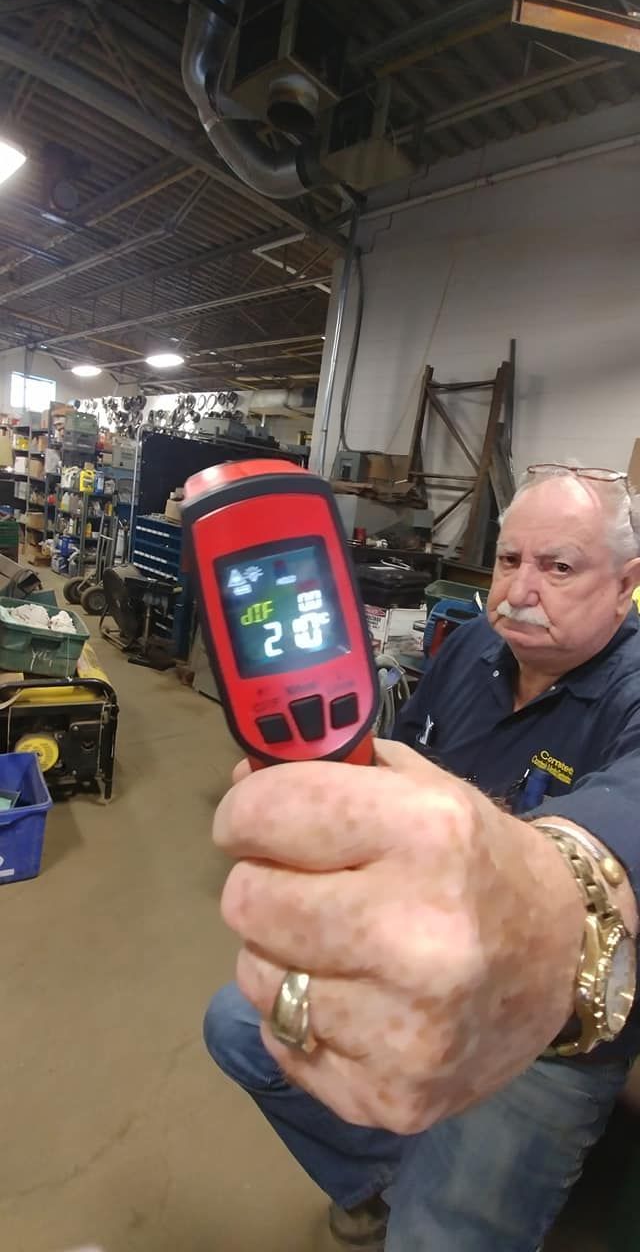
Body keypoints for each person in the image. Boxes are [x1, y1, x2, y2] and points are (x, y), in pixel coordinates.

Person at [204, 464, 640, 1252]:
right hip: (409, 968)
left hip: (550, 1030)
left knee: (442, 1237)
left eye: (560, 566)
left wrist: (549, 889)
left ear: (627, 584)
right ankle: (389, 1179)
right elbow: (391, 763)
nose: (521, 588)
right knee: (238, 1023)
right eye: (510, 561)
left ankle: (431, 1208)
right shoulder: (473, 645)